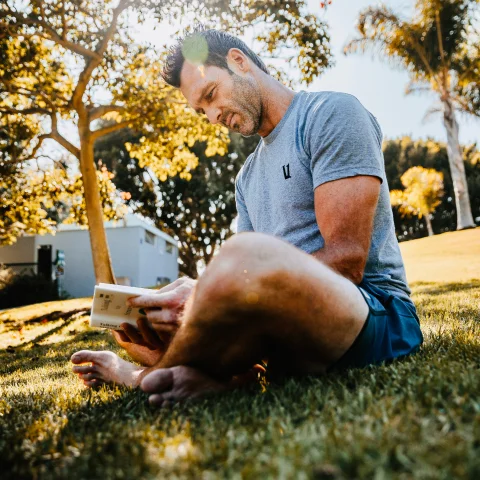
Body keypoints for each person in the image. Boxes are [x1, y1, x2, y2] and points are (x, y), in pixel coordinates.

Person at [71, 29, 423, 407]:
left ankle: (142, 376)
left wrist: (209, 297)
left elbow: (347, 260)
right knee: (136, 327)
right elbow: (247, 281)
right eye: (201, 111)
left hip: (374, 314)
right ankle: (216, 372)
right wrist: (195, 302)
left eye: (210, 95)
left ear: (239, 62)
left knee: (240, 256)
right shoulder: (247, 177)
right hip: (285, 326)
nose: (212, 116)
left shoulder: (331, 114)